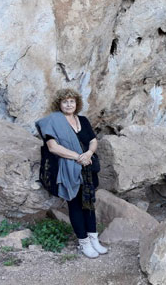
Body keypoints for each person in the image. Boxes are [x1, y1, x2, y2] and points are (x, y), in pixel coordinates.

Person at [36, 88, 107, 258]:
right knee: (75, 205)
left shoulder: (82, 120)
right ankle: (83, 242)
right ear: (59, 104)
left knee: (88, 203)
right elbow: (53, 147)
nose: (69, 104)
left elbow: (92, 140)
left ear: (77, 103)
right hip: (68, 168)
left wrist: (89, 154)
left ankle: (94, 239)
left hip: (87, 168)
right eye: (65, 101)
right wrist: (78, 157)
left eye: (72, 101)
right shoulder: (53, 121)